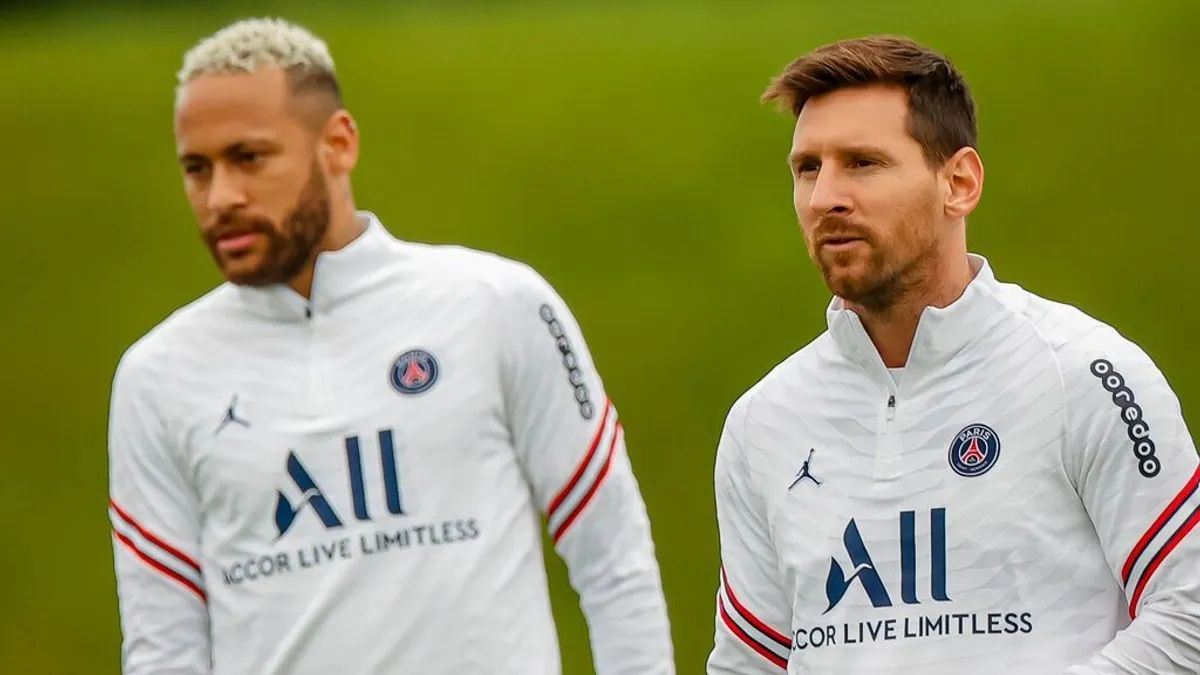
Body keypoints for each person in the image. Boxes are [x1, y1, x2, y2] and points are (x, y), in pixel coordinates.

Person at [107, 17, 673, 675]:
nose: (220, 197)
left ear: (338, 144)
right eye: (196, 169)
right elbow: (163, 646)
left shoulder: (496, 303)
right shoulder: (158, 375)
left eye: (249, 157)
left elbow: (614, 561)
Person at [707, 35, 1200, 674]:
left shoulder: (1082, 372)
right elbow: (749, 664)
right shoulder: (762, 422)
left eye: (863, 162)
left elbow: (1187, 612)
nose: (825, 196)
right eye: (808, 168)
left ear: (959, 183)